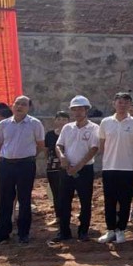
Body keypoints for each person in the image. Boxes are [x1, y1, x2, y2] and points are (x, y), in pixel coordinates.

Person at [0, 95, 45, 245]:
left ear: (29, 108)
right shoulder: (4, 124)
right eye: (17, 103)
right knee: (5, 199)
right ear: (12, 106)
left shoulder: (35, 124)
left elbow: (40, 145)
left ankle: (23, 233)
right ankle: (3, 233)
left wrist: (30, 157)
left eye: (24, 104)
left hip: (25, 165)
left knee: (24, 199)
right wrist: (0, 159)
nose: (20, 106)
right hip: (6, 165)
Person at [98, 92, 133, 244]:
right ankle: (111, 230)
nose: (122, 105)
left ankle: (121, 230)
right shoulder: (105, 122)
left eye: (125, 102)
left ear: (130, 105)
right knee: (109, 200)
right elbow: (102, 145)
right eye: (119, 102)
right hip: (109, 168)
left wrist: (129, 159)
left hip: (127, 169)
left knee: (125, 200)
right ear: (114, 104)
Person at [54, 95, 99, 242]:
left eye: (80, 109)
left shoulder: (94, 128)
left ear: (86, 110)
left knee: (85, 201)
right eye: (74, 109)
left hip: (84, 170)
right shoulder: (67, 128)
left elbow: (93, 149)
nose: (77, 112)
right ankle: (64, 232)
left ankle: (83, 231)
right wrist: (62, 157)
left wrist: (79, 166)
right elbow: (59, 145)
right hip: (66, 170)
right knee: (63, 201)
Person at [44, 111, 70, 227]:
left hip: (67, 167)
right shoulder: (49, 135)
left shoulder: (71, 134)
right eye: (59, 119)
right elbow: (46, 151)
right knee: (55, 192)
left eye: (64, 119)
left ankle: (66, 215)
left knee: (66, 192)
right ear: (55, 121)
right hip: (52, 167)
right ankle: (58, 216)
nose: (61, 122)